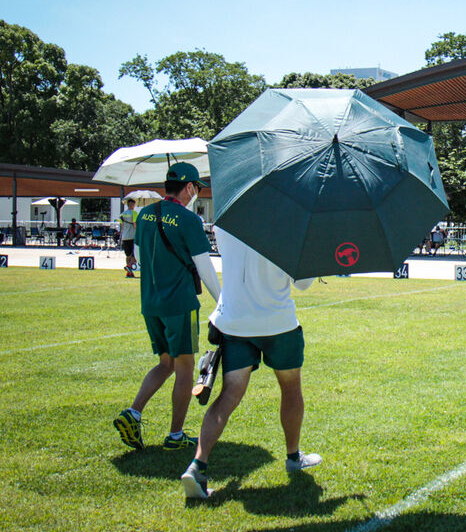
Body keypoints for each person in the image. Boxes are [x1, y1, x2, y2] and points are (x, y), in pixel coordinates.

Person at [180, 227, 319, 499]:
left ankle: (198, 465)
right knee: (291, 389)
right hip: (278, 323)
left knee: (228, 395)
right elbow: (303, 283)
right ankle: (293, 457)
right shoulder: (289, 227)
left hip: (235, 322)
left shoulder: (227, 223)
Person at [114, 163, 222, 451]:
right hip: (179, 303)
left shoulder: (145, 214)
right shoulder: (189, 220)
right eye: (196, 187)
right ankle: (175, 435)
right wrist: (223, 303)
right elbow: (204, 267)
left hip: (151, 302)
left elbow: (138, 256)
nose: (197, 192)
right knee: (184, 368)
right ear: (188, 187)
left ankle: (133, 412)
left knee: (166, 364)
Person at [120, 199, 139, 277]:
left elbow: (122, 227)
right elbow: (135, 225)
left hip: (125, 236)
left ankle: (129, 272)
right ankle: (129, 266)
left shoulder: (122, 214)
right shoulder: (134, 213)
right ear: (132, 205)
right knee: (135, 255)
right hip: (132, 236)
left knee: (128, 255)